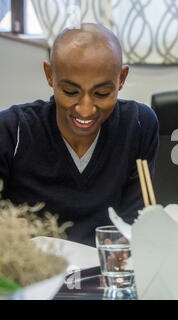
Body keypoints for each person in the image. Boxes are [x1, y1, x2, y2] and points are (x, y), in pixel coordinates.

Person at [0, 23, 159, 246]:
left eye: (102, 93)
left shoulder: (138, 124)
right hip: (33, 273)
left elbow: (136, 221)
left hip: (105, 271)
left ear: (121, 79)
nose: (86, 109)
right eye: (70, 92)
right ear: (50, 75)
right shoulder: (12, 130)